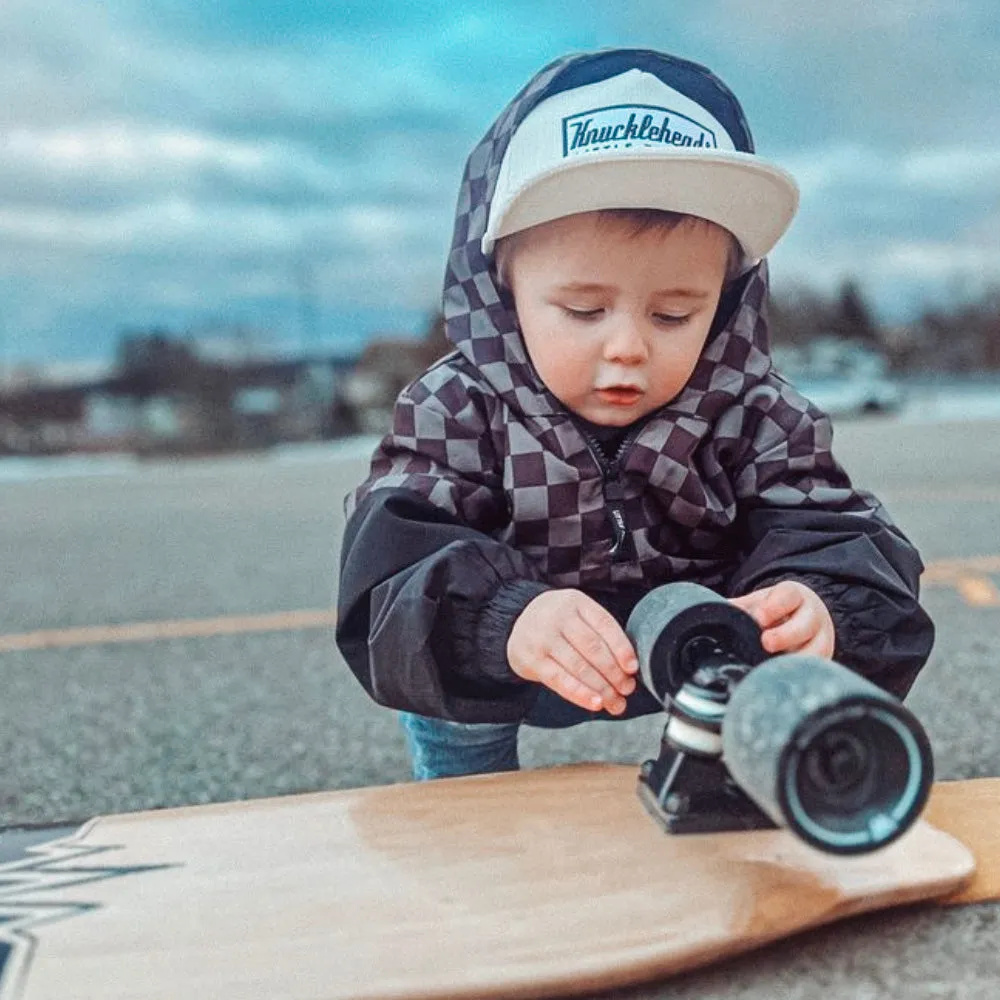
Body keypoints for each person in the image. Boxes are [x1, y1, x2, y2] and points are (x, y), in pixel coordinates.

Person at [335, 48, 934, 781]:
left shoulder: (754, 413)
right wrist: (501, 619)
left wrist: (824, 602)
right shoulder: (455, 409)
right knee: (441, 682)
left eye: (675, 313)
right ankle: (463, 797)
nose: (628, 348)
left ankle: (732, 784)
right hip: (515, 650)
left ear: (725, 302)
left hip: (699, 645)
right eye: (584, 309)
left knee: (785, 673)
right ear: (503, 288)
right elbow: (391, 571)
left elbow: (843, 537)